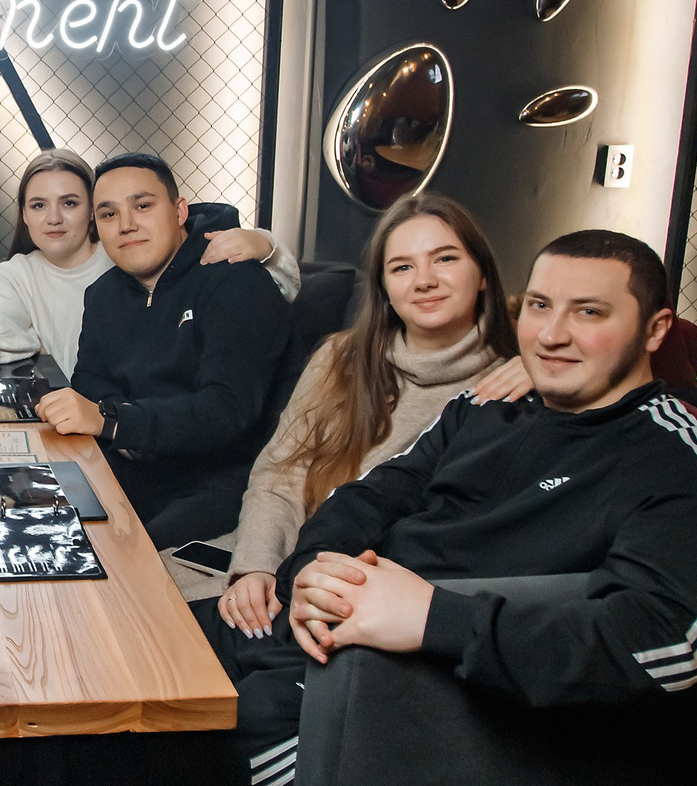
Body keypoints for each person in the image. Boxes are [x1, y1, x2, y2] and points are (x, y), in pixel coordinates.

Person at [81, 230, 697, 786]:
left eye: (589, 312)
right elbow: (368, 495)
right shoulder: (486, 406)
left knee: (138, 775)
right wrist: (313, 569)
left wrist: (433, 619)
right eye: (540, 306)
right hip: (308, 620)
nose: (553, 334)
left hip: (386, 685)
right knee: (105, 673)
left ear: (655, 330)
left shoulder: (669, 456)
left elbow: (677, 638)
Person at [199, 193, 533, 617]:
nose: (424, 280)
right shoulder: (341, 356)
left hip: (362, 595)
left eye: (445, 259)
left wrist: (543, 367)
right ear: (384, 288)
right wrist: (255, 566)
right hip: (274, 556)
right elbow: (281, 473)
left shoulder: (510, 386)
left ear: (482, 274)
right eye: (402, 267)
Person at [35, 153, 292, 548]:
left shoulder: (235, 279)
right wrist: (122, 426)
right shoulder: (103, 295)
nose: (126, 225)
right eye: (109, 214)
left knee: (129, 555)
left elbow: (227, 409)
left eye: (142, 206)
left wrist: (117, 422)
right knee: (36, 516)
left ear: (179, 211)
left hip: (220, 479)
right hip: (134, 463)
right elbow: (91, 379)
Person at [0, 149, 301, 383]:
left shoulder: (128, 253)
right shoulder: (17, 274)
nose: (53, 218)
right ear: (23, 214)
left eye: (69, 203)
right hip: (91, 420)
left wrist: (265, 244)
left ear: (92, 211)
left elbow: (265, 286)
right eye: (38, 205)